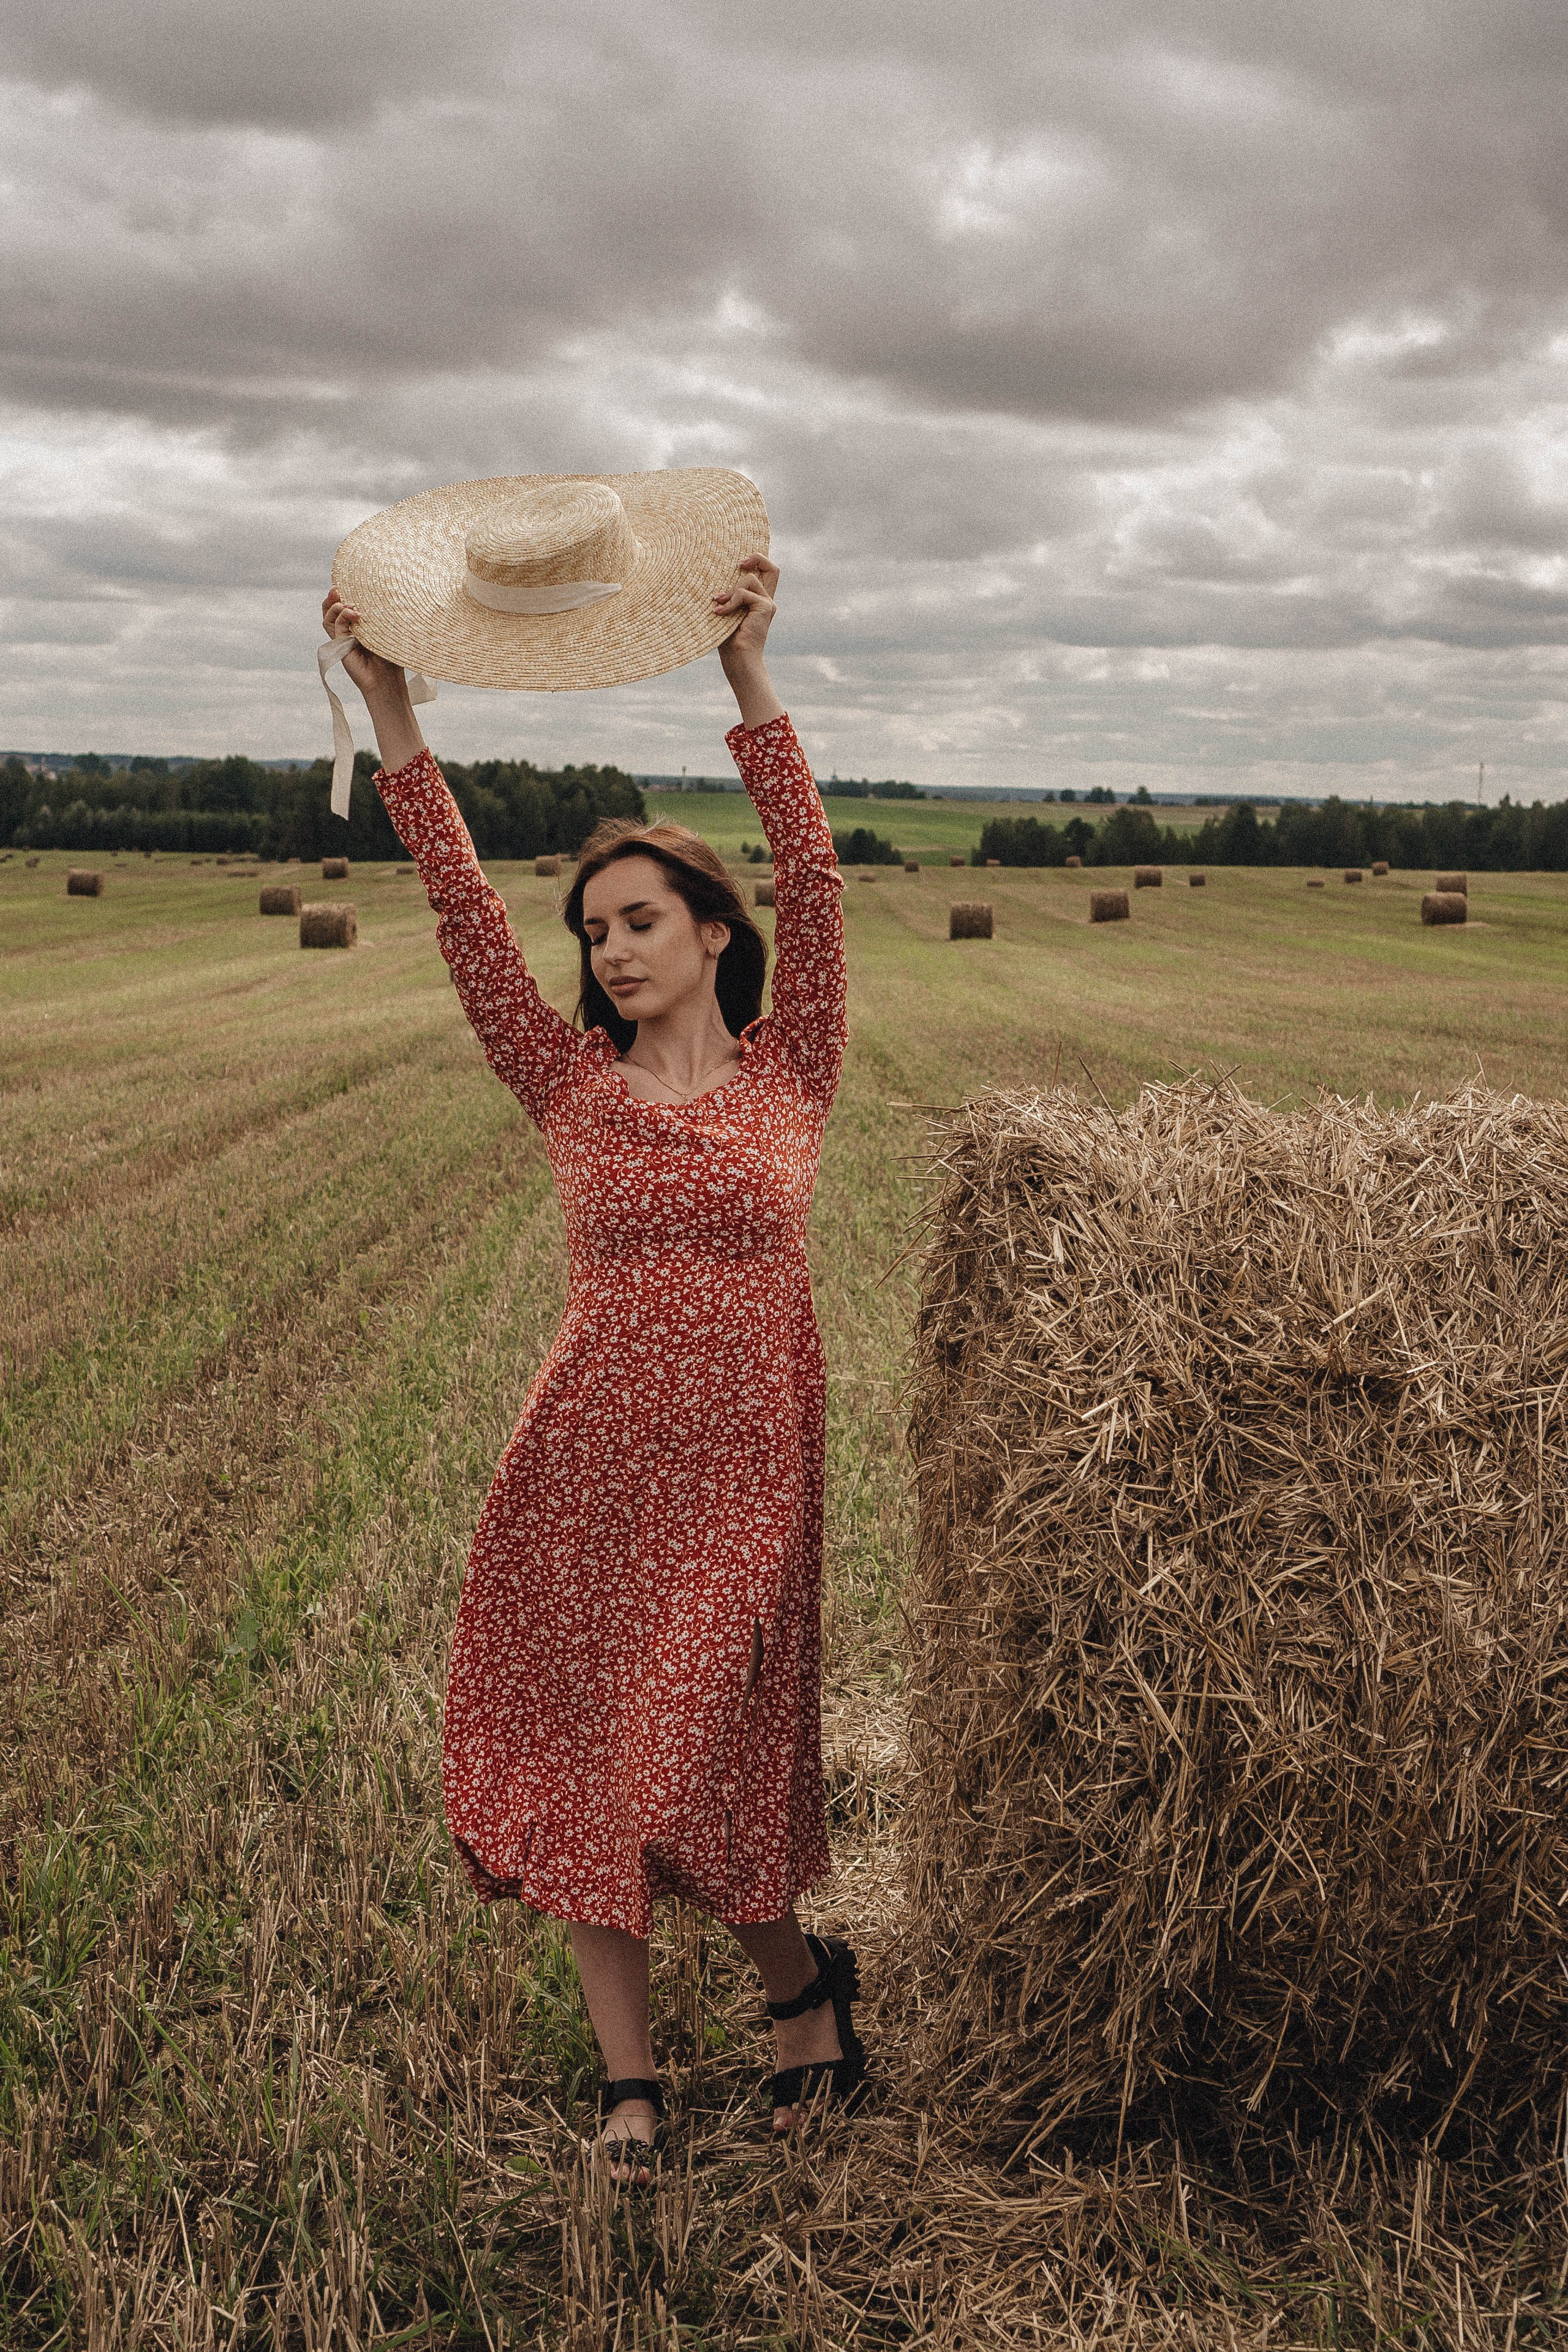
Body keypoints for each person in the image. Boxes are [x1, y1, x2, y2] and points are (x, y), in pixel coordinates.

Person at [320, 552, 865, 2183]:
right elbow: (465, 914)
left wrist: (752, 683)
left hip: (750, 1464)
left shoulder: (795, 1069)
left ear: (712, 931)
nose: (611, 950)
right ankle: (634, 2080)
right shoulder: (565, 1083)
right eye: (596, 933)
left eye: (640, 923)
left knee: (703, 1761)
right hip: (586, 1461)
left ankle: (800, 1989)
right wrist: (393, 712)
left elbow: (819, 883)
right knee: (589, 1767)